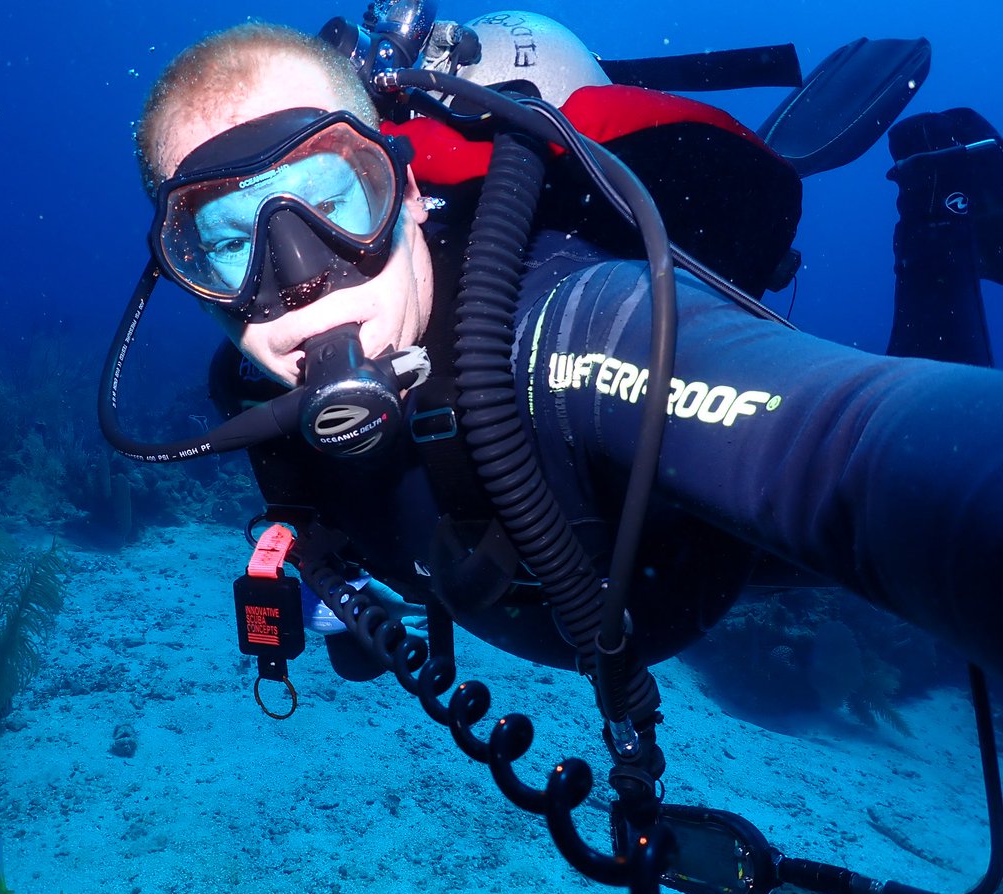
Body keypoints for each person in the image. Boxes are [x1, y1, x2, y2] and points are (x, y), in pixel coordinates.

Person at [123, 20, 1003, 691]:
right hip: (599, 597)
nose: (299, 279)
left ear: (410, 192)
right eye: (228, 241)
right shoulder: (261, 406)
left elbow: (855, 445)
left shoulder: (571, 330)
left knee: (920, 389)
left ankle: (939, 208)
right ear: (184, 274)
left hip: (721, 557)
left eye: (330, 199)